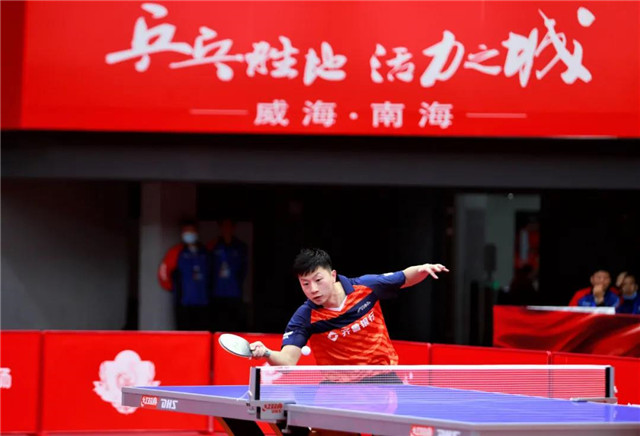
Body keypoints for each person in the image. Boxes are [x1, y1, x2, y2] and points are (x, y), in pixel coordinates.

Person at [249, 248, 449, 367]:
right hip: (336, 387)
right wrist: (266, 352)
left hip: (382, 378)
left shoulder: (366, 287)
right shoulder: (305, 316)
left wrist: (422, 269)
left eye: (318, 280)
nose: (313, 289)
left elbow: (404, 277)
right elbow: (288, 360)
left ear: (333, 275)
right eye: (305, 283)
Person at [158, 220, 212, 330]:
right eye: (186, 232)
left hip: (203, 302)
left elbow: (211, 273)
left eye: (191, 231)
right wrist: (175, 289)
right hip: (184, 302)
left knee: (202, 334)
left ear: (197, 232)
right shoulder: (176, 252)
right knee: (185, 333)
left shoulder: (204, 252)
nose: (189, 234)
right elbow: (163, 273)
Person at [207, 218, 249, 332]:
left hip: (234, 293)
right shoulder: (213, 246)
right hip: (217, 293)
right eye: (224, 226)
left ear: (233, 228)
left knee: (234, 326)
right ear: (220, 228)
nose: (227, 229)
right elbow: (208, 269)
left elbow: (243, 270)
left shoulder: (240, 247)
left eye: (229, 226)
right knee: (218, 325)